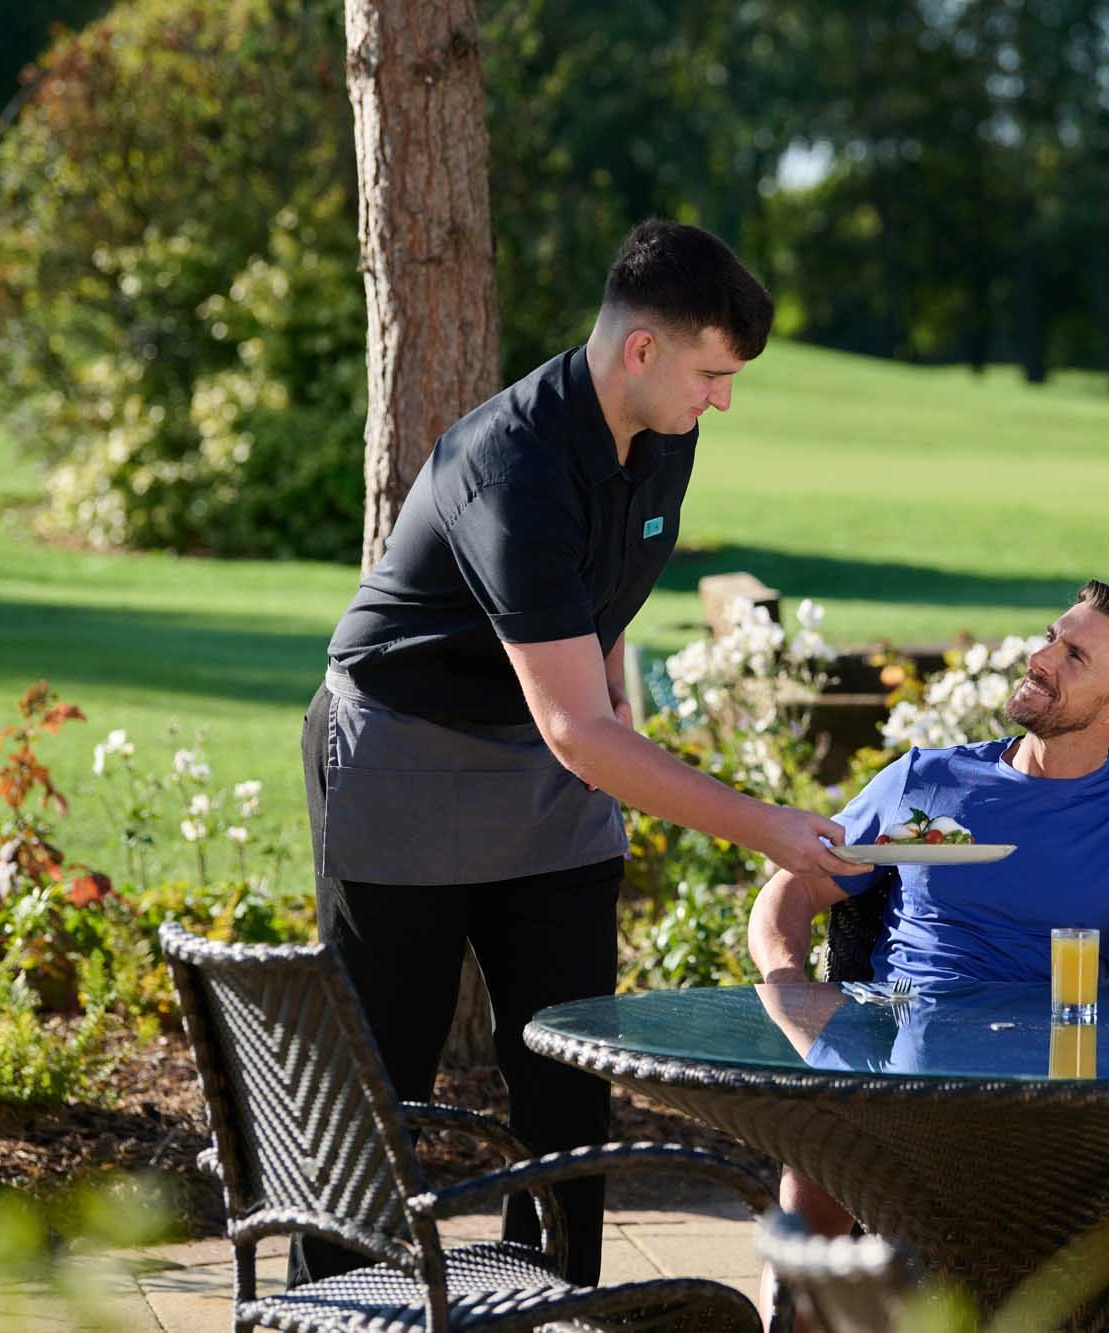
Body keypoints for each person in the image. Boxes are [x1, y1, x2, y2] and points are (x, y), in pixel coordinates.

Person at [300, 220, 864, 1287]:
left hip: (548, 764)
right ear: (640, 351)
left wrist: (613, 704)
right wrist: (771, 832)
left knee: (563, 1068)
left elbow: (599, 596)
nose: (722, 399)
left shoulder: (665, 430)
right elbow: (574, 728)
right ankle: (331, 1307)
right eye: (711, 373)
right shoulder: (507, 465)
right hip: (404, 758)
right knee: (380, 1079)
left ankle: (552, 1305)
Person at [747, 579, 1109, 1250]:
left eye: (1073, 656)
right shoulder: (928, 781)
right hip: (902, 1067)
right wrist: (788, 983)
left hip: (1052, 1096)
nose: (1040, 658)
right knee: (817, 1164)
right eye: (1050, 637)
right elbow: (794, 887)